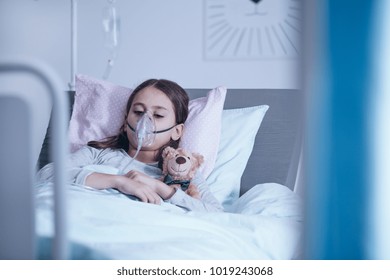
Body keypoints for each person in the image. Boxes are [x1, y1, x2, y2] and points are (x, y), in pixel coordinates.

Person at [37, 79, 223, 212]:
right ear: (126, 122)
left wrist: (162, 189)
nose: (145, 121)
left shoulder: (183, 172)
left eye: (158, 115)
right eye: (139, 112)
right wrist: (119, 182)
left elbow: (216, 213)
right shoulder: (99, 154)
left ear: (177, 131)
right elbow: (46, 174)